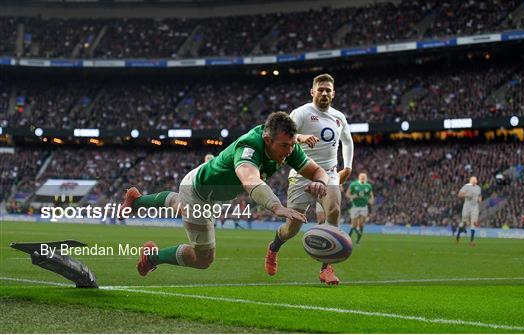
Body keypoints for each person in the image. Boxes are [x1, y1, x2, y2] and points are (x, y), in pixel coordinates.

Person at [119, 112, 329, 276]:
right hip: (198, 194)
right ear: (267, 139)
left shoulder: (288, 146)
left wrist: (320, 181)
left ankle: (135, 201)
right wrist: (277, 206)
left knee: (179, 205)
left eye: (292, 145)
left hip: (206, 186)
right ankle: (152, 257)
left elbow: (318, 171)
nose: (289, 151)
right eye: (284, 145)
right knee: (203, 259)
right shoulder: (249, 146)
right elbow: (250, 180)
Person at [264, 74, 354, 285]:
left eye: (328, 90)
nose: (324, 93)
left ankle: (326, 268)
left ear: (333, 93)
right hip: (303, 173)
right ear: (312, 92)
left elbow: (348, 141)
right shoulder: (302, 113)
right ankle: (274, 247)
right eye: (320, 89)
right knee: (292, 228)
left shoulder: (339, 117)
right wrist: (302, 137)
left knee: (333, 211)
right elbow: (285, 135)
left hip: (330, 174)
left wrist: (347, 166)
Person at [345, 172, 374, 244]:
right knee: (354, 225)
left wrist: (371, 201)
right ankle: (350, 237)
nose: (363, 178)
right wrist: (352, 196)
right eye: (362, 177)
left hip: (364, 207)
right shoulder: (353, 184)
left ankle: (358, 240)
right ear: (359, 177)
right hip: (355, 206)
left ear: (366, 178)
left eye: (364, 177)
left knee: (361, 224)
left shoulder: (368, 186)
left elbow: (371, 196)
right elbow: (347, 194)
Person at [456, 176, 482, 246]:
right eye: (473, 180)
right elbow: (459, 194)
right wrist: (466, 194)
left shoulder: (478, 188)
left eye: (475, 180)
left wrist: (480, 199)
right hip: (467, 206)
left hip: (475, 207)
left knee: (473, 223)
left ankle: (472, 241)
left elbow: (479, 196)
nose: (474, 181)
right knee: (464, 222)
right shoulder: (466, 186)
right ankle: (458, 235)